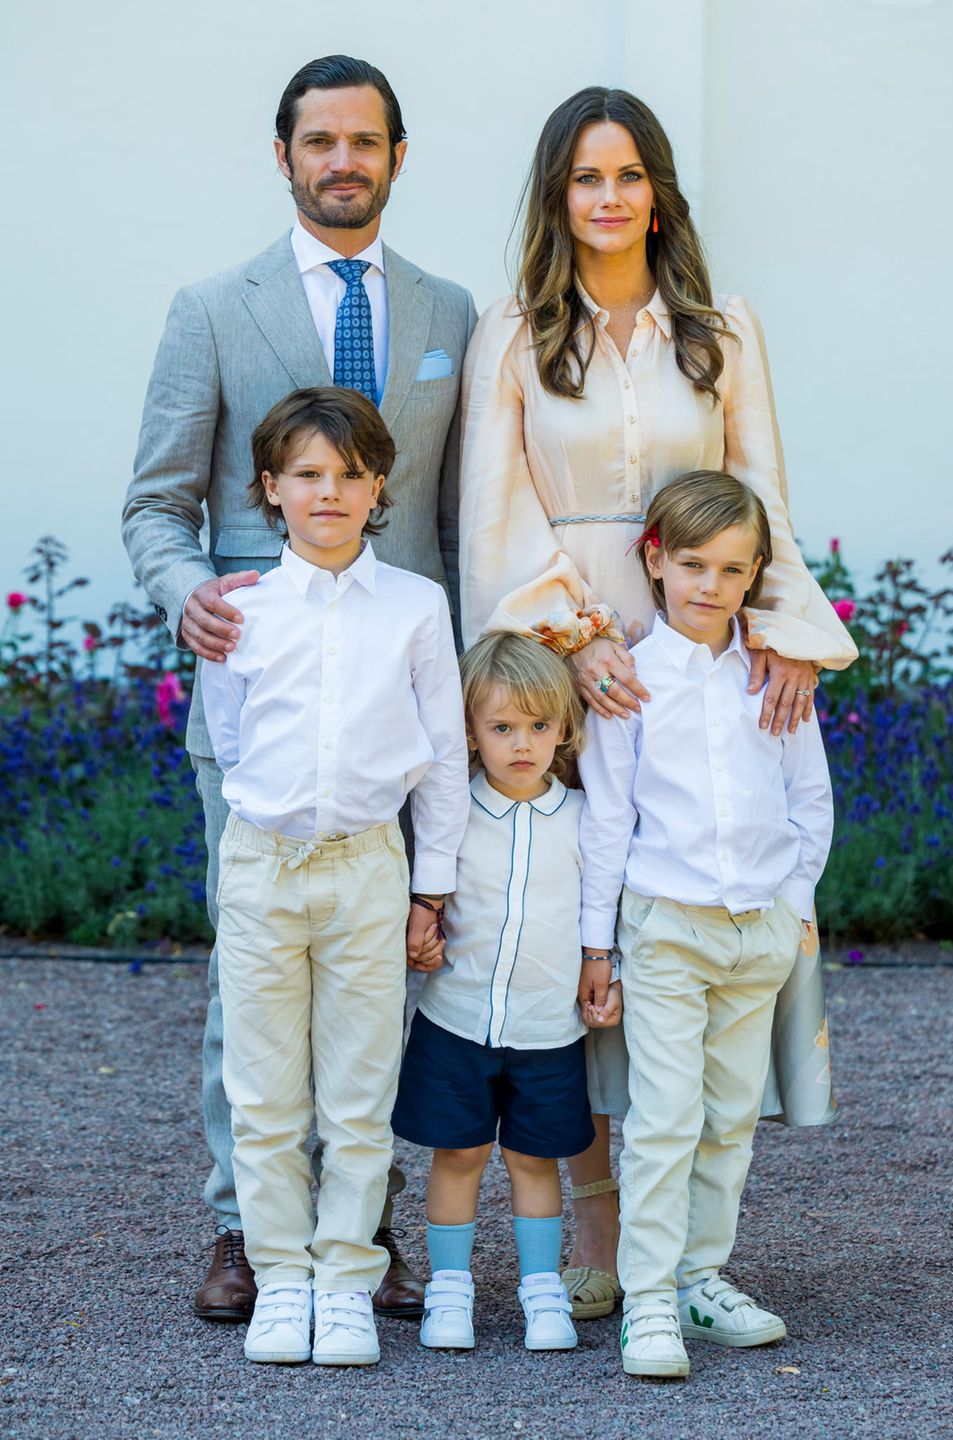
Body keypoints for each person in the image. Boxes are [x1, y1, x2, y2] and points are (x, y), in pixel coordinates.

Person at [458, 85, 856, 1318]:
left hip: (706, 637)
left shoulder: (719, 329)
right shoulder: (516, 333)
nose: (610, 197)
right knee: (586, 940)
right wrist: (574, 642)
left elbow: (761, 492)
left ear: (659, 191)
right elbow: (494, 513)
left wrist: (785, 632)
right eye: (586, 177)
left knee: (701, 923)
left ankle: (693, 1256)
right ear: (556, 195)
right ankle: (599, 1231)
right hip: (583, 661)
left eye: (631, 175)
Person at [122, 54, 476, 1322]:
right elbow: (157, 502)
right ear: (284, 156)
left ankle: (358, 1228)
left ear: (394, 156)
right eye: (319, 141)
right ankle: (244, 1228)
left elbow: (454, 515)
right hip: (259, 689)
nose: (343, 162)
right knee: (256, 970)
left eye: (365, 142)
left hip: (396, 687)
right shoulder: (213, 307)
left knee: (387, 961)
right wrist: (188, 595)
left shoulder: (448, 313)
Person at [199, 386, 469, 1365]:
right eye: (307, 475)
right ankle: (281, 1277)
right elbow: (230, 743)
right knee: (265, 1089)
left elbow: (441, 755)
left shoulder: (413, 606)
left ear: (378, 485)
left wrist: (429, 890)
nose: (328, 492)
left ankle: (347, 1273)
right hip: (263, 865)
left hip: (366, 869)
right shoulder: (238, 609)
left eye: (349, 475)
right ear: (271, 489)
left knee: (358, 1090)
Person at [578, 471, 833, 1378]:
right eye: (691, 564)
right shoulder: (629, 679)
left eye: (731, 569)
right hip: (666, 927)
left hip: (757, 927)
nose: (709, 587)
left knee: (730, 1115)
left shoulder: (772, 674)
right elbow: (607, 817)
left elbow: (811, 799)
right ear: (655, 560)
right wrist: (596, 944)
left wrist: (794, 906)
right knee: (664, 1115)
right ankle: (646, 1299)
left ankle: (700, 1276)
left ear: (756, 572)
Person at [392, 633, 607, 1354]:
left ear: (564, 730)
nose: (522, 744)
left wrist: (609, 972)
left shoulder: (582, 820)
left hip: (549, 1029)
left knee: (534, 1161)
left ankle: (541, 1293)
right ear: (469, 733)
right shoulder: (449, 815)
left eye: (539, 727)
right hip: (456, 1020)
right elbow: (427, 897)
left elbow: (603, 912)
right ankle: (449, 1294)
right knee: (456, 1157)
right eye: (502, 727)